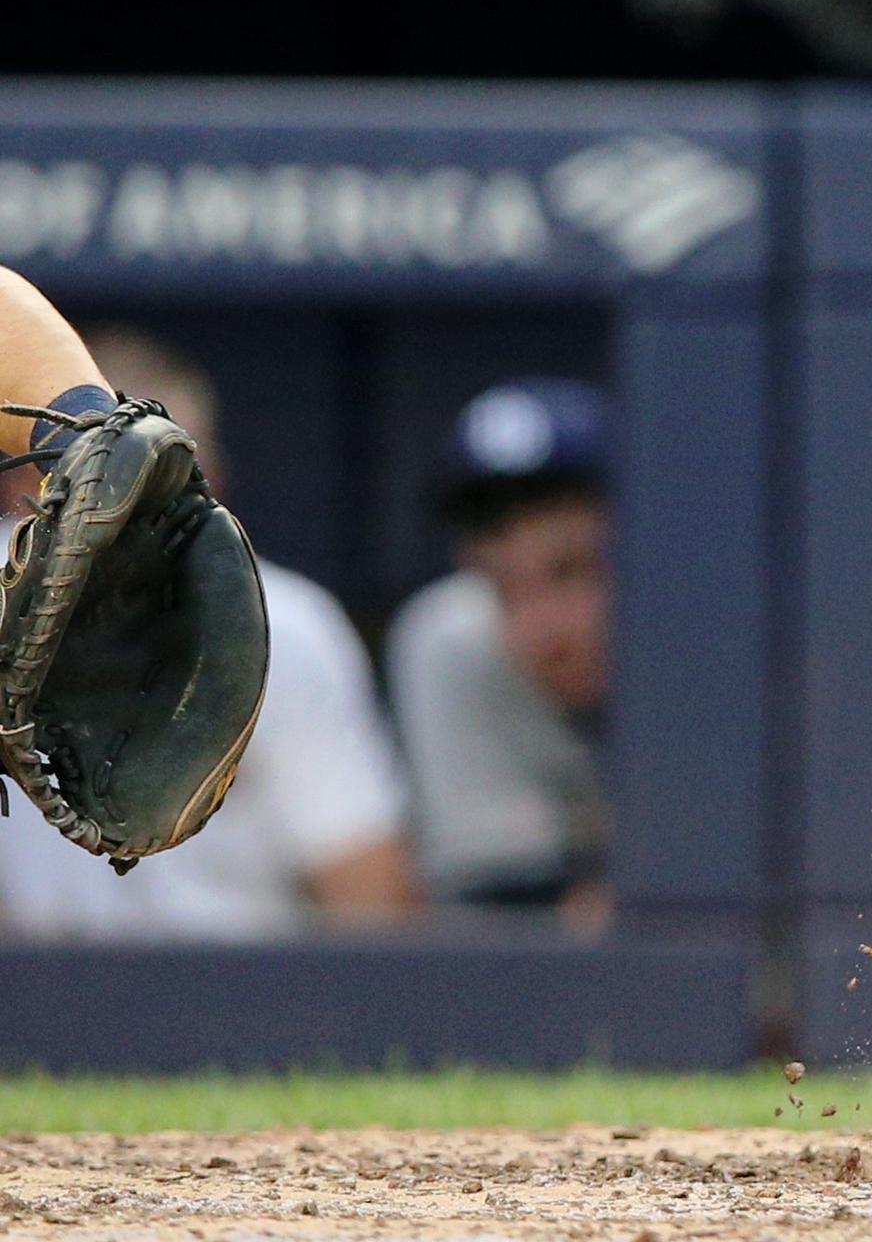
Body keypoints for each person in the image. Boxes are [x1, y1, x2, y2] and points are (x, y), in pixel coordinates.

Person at [0, 329, 421, 942]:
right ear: (30, 491)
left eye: (155, 477)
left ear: (209, 480)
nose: (123, 508)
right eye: (97, 479)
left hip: (244, 1000)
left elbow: (370, 905)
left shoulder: (286, 623)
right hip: (31, 1001)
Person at [387, 379, 615, 922]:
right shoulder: (459, 642)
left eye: (574, 570)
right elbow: (502, 928)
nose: (540, 630)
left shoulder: (732, 643)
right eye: (502, 584)